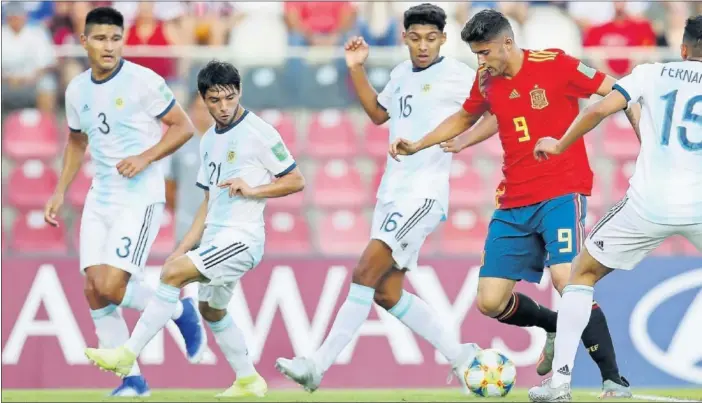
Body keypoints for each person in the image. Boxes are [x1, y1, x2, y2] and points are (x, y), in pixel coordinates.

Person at [389, 9, 632, 398]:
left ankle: (613, 378)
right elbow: (469, 116)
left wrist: (641, 129)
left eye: (485, 52)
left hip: (560, 191)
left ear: (507, 41)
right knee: (490, 301)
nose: (480, 62)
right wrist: (420, 143)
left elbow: (617, 91)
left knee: (566, 280)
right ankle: (556, 324)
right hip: (514, 200)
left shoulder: (555, 64)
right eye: (475, 54)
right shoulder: (487, 79)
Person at [275, 3, 496, 394]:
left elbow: (496, 109)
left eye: (431, 38)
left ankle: (317, 365)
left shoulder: (459, 76)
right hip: (392, 194)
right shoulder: (400, 74)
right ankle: (462, 356)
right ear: (404, 38)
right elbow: (379, 114)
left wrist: (460, 140)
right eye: (415, 38)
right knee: (386, 292)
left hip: (423, 195)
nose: (423, 46)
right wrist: (356, 68)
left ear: (443, 39)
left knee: (364, 273)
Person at [84, 60, 306, 398]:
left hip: (242, 239)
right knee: (211, 310)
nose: (224, 106)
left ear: (239, 92)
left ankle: (125, 356)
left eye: (230, 98)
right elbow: (208, 204)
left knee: (172, 276)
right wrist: (183, 246)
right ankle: (248, 380)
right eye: (215, 100)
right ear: (203, 99)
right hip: (216, 237)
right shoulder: (207, 141)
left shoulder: (259, 132)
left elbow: (296, 179)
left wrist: (254, 189)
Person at [528, 15, 702, 403]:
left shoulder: (652, 73)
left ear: (683, 49)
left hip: (648, 205)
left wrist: (558, 144)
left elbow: (597, 110)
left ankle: (559, 384)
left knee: (581, 273)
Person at [42, 6, 202, 397]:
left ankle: (179, 310)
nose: (108, 46)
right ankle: (133, 382)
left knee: (112, 286)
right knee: (94, 290)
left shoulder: (143, 81)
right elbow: (76, 141)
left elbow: (185, 126)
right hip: (102, 196)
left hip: (140, 195)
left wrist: (146, 157)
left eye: (115, 38)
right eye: (100, 38)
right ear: (84, 42)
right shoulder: (76, 89)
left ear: (123, 40)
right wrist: (60, 190)